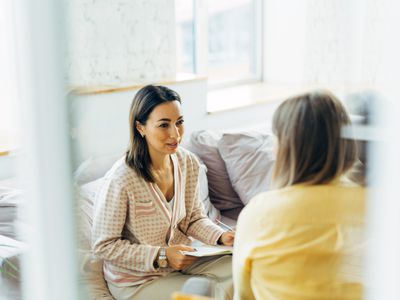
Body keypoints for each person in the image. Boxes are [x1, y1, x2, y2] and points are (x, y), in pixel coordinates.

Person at [92, 85, 235, 300]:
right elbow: (104, 246)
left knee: (244, 270)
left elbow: (193, 219)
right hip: (139, 279)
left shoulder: (188, 163)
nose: (175, 134)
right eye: (164, 125)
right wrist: (162, 255)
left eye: (179, 122)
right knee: (214, 294)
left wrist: (222, 236)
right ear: (141, 128)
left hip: (184, 260)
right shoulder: (121, 179)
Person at [233, 91, 366, 300]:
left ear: (286, 147)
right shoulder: (379, 207)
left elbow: (243, 295)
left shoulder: (259, 212)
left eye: (275, 139)